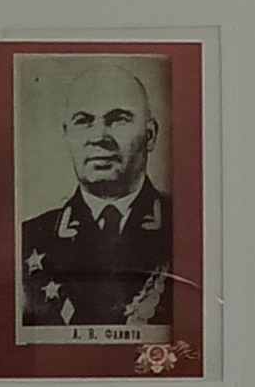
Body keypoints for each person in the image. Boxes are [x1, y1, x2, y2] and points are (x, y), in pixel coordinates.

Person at [21, 57, 175, 330]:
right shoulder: (30, 238)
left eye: (118, 120)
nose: (99, 137)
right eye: (84, 121)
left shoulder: (184, 227)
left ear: (150, 136)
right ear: (67, 134)